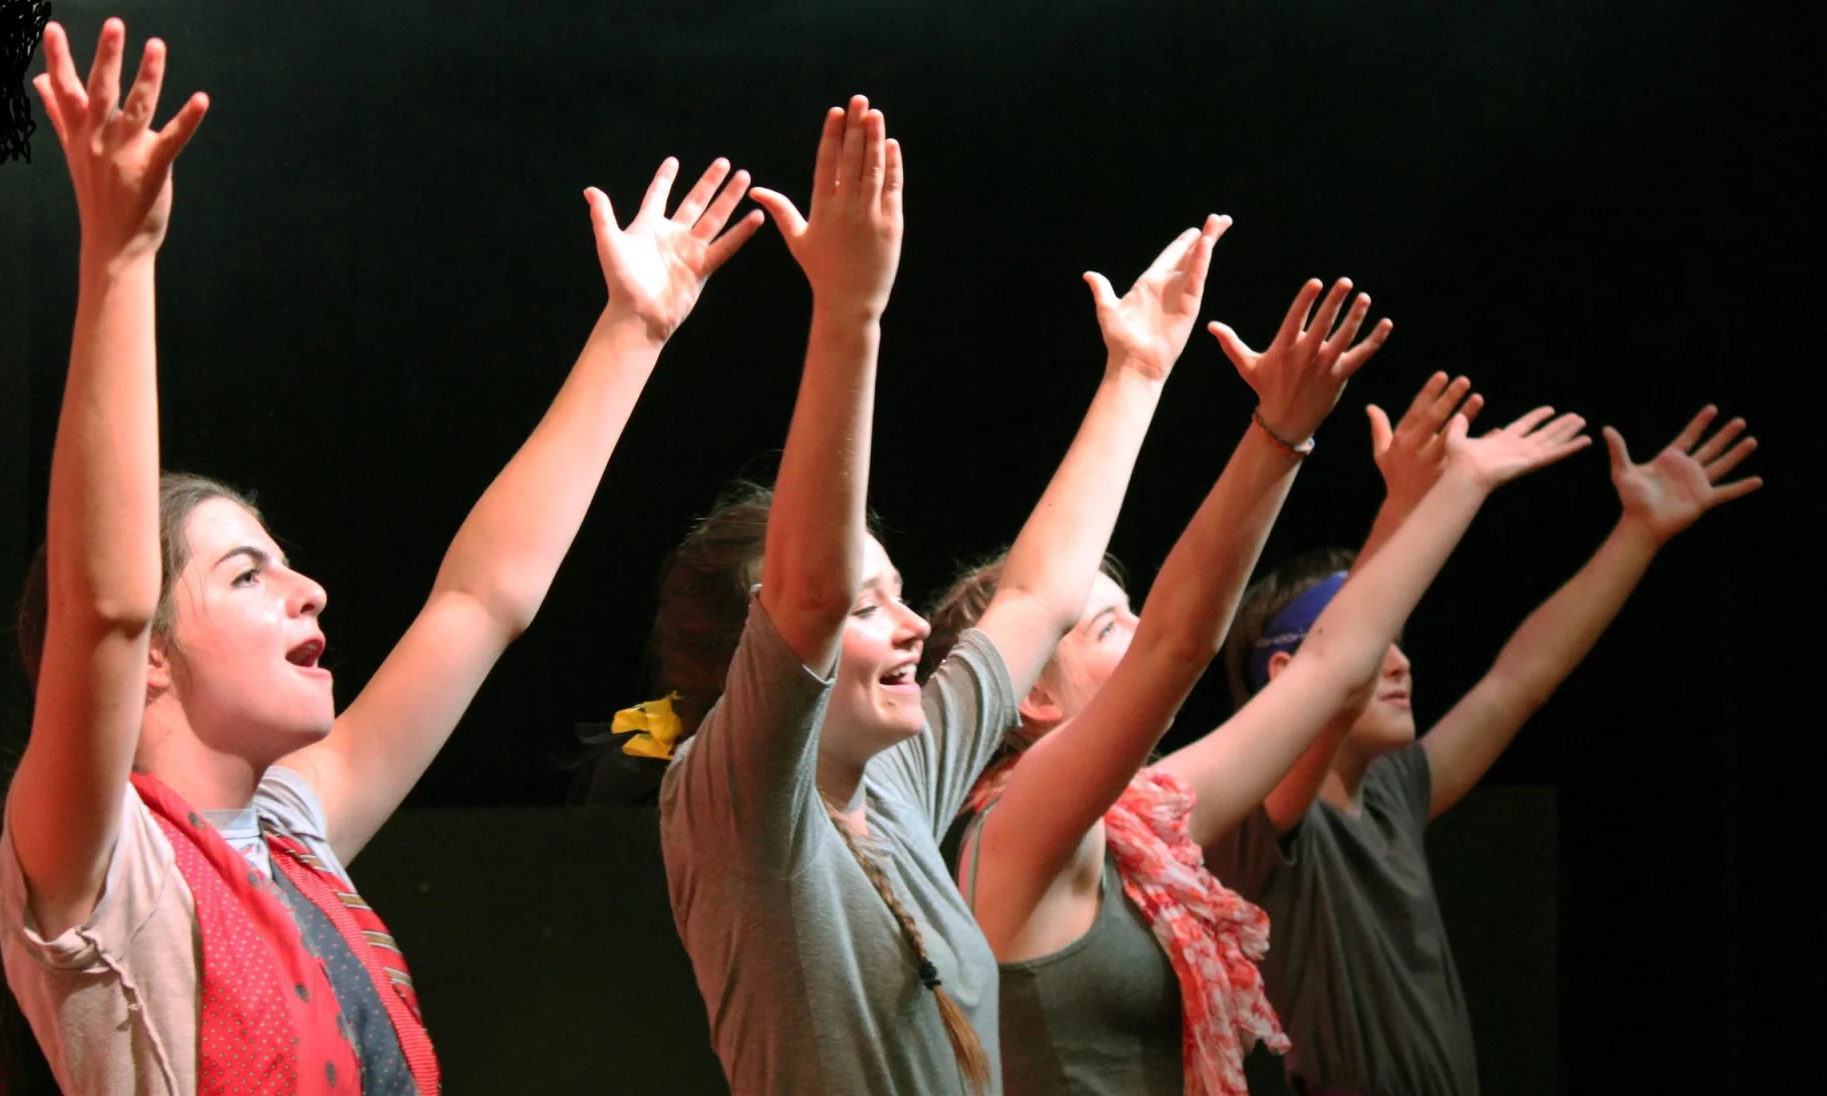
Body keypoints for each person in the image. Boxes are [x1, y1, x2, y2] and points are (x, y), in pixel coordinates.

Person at [0, 18, 762, 1094]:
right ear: (149, 654)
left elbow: (479, 600)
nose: (309, 589)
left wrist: (634, 331)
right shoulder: (107, 866)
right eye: (247, 573)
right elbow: (98, 602)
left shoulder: (292, 831)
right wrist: (123, 256)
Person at [655, 94, 1227, 1094]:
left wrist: (1137, 372)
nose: (913, 622)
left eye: (894, 592)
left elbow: (1042, 590)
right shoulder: (735, 805)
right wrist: (850, 313)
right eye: (865, 608)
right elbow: (806, 588)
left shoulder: (895, 780)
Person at [931, 356, 1604, 1093]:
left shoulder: (1140, 821)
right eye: (1106, 627)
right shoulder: (1014, 825)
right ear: (1035, 700)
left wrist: (1461, 486)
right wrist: (1280, 432)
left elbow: (1332, 669)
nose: (1140, 629)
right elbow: (1179, 643)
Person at [1208, 402, 1762, 1095]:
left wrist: (1638, 533)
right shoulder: (1268, 821)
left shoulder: (1394, 793)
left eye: (1398, 642)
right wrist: (1412, 505)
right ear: (1286, 677)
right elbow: (1338, 676)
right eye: (1379, 646)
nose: (1401, 662)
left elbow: (1518, 681)